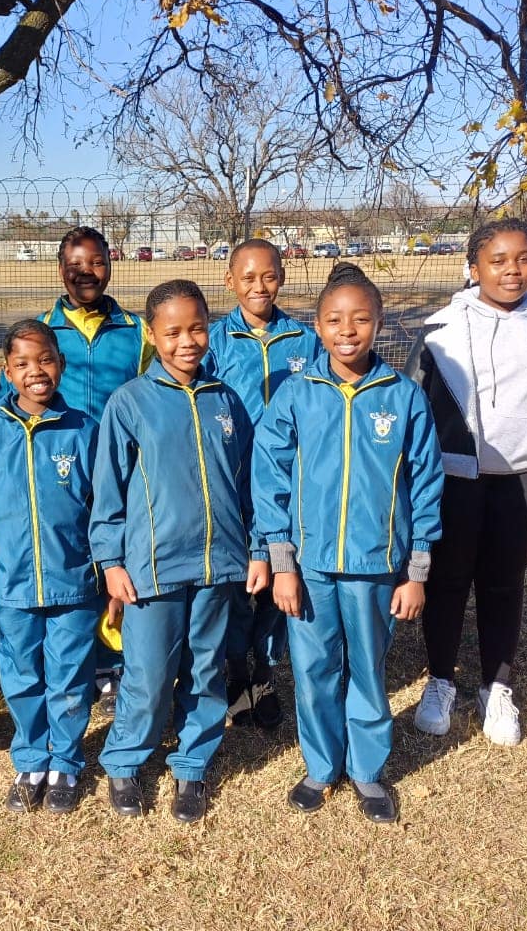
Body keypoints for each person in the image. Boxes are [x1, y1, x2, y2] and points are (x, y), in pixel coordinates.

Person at [255, 262, 444, 825]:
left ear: (379, 323)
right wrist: (281, 562)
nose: (347, 331)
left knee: (367, 669)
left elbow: (427, 484)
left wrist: (416, 571)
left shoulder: (403, 397)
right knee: (313, 669)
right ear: (317, 326)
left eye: (360, 319)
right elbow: (270, 477)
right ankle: (321, 765)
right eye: (335, 319)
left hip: (375, 564)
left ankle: (366, 769)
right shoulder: (296, 395)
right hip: (309, 567)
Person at [406, 218, 527, 747]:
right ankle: (441, 680)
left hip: (525, 480)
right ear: (473, 268)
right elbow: (410, 412)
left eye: (524, 258)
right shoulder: (439, 332)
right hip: (454, 480)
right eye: (498, 260)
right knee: (446, 581)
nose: (513, 270)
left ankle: (497, 686)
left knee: (504, 584)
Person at [91, 280, 268, 824]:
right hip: (154, 568)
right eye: (172, 332)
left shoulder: (225, 400)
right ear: (151, 335)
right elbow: (108, 491)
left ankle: (192, 765)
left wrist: (258, 548)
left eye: (196, 328)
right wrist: (111, 561)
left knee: (206, 669)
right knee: (147, 674)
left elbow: (248, 484)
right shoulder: (130, 403)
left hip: (218, 563)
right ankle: (124, 761)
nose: (186, 341)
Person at [0, 225, 154, 715]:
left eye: (97, 262)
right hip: (57, 474)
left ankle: (112, 667)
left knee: (114, 565)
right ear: (60, 269)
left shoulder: (137, 332)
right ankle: (67, 668)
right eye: (75, 264)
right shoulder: (41, 333)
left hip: (121, 475)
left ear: (111, 265)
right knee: (69, 566)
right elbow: (10, 409)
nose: (86, 272)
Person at [0, 320, 102, 814]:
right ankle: (32, 759)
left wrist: (108, 570)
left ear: (61, 364)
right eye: (23, 364)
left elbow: (106, 511)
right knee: (21, 677)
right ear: (7, 372)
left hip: (74, 586)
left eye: (45, 360)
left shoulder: (84, 431)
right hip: (11, 590)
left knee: (70, 678)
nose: (36, 371)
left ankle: (66, 762)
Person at [203, 238, 323, 729]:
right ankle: (235, 669)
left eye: (269, 275)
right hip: (232, 484)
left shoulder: (305, 340)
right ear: (230, 280)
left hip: (287, 486)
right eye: (248, 277)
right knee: (237, 580)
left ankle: (265, 671)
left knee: (279, 573)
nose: (259, 286)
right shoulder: (214, 340)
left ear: (282, 277)